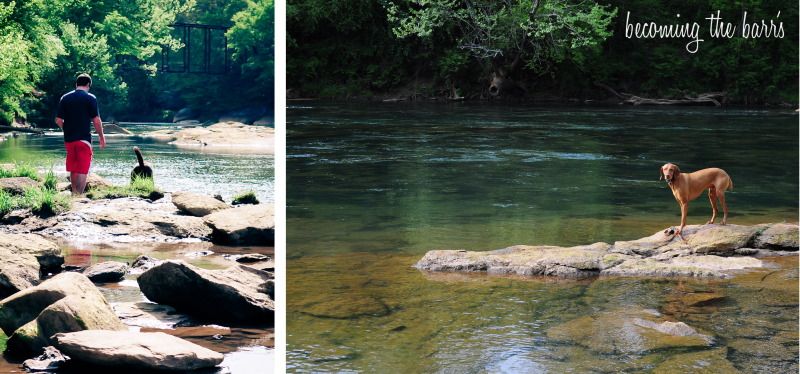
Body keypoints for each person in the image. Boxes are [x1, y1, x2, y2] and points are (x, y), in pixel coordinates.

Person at [55, 73, 106, 195]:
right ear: (88, 85)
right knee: (83, 169)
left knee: (73, 167)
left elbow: (58, 120)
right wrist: (101, 136)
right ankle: (79, 196)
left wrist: (66, 129)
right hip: (84, 139)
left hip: (69, 139)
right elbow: (96, 120)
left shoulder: (65, 98)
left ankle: (74, 194)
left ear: (76, 84)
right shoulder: (90, 98)